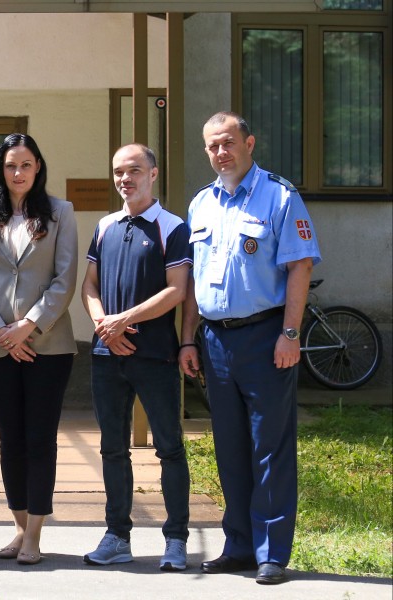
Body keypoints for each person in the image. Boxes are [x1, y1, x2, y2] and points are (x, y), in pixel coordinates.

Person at [180, 112, 321, 585]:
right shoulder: (200, 205)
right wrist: (189, 338)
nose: (221, 152)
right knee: (230, 448)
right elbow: (193, 284)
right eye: (212, 145)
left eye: (228, 142)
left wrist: (291, 333)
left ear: (249, 143)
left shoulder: (280, 196)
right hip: (216, 340)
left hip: (267, 337)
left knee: (270, 448)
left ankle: (271, 551)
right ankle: (238, 545)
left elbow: (300, 266)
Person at [80, 143, 192, 571]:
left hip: (155, 356)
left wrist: (123, 320)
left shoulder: (173, 226)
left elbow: (176, 290)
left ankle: (177, 539)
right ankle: (117, 536)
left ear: (153, 174)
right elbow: (89, 286)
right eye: (118, 172)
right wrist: (103, 325)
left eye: (134, 171)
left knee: (169, 449)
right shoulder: (105, 225)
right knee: (112, 448)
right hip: (108, 355)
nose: (125, 179)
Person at [0, 134, 78, 565]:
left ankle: (35, 532)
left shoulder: (60, 212)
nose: (19, 173)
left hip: (48, 345)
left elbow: (64, 278)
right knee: (9, 438)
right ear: (1, 170)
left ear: (38, 167)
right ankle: (17, 525)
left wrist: (28, 327)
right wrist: (0, 332)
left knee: (39, 438)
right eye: (11, 165)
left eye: (26, 164)